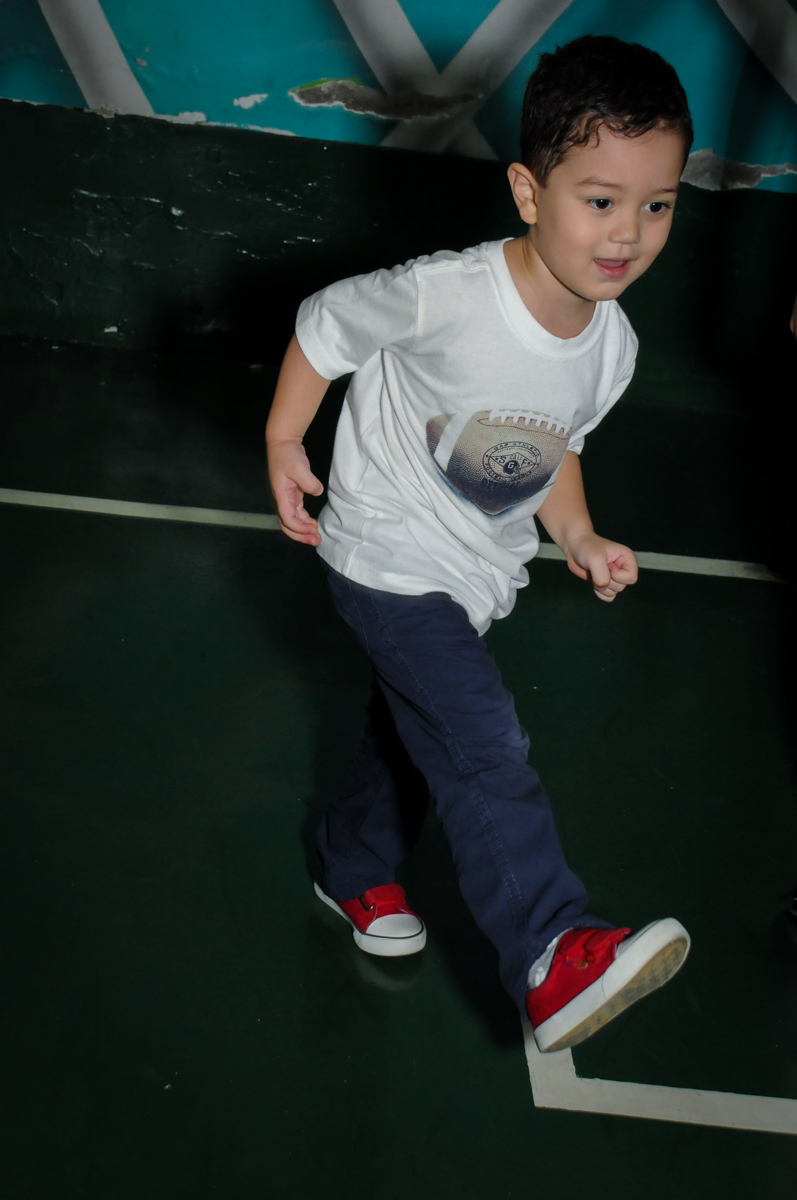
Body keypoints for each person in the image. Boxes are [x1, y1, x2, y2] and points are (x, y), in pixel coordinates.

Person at [267, 36, 693, 1053]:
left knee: (416, 736)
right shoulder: (448, 293)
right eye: (600, 199)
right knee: (479, 739)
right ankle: (549, 948)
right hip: (385, 551)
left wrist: (576, 532)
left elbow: (556, 445)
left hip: (473, 573)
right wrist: (285, 439)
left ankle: (351, 862)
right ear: (527, 192)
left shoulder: (612, 344)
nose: (627, 233)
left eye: (657, 205)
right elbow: (325, 326)